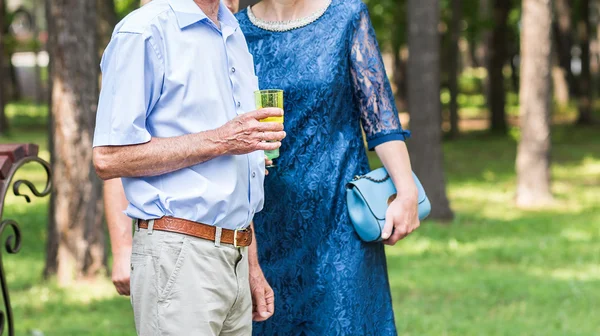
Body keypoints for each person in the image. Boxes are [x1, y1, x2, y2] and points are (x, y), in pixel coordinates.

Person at [92, 0, 284, 334]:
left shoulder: (232, 30)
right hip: (179, 256)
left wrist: (251, 267)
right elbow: (109, 157)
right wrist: (223, 140)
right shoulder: (144, 31)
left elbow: (236, 170)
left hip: (236, 255)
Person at [234, 0, 420, 334]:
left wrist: (406, 191)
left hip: (340, 222)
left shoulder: (347, 16)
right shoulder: (234, 32)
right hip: (265, 225)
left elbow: (379, 117)